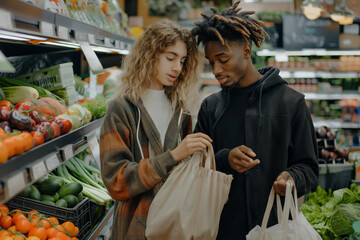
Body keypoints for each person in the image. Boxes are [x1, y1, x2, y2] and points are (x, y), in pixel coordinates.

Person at [192, 1, 319, 239]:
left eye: (223, 59)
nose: (216, 69)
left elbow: (310, 168)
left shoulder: (291, 103)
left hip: (275, 228)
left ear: (246, 51)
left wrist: (292, 177)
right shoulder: (211, 107)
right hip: (222, 229)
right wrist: (225, 158)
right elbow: (196, 167)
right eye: (211, 62)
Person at [100, 19, 212, 240]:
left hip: (175, 224)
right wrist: (174, 156)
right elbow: (116, 180)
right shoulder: (122, 109)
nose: (177, 68)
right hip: (135, 225)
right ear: (149, 54)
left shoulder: (181, 110)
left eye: (182, 61)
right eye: (170, 58)